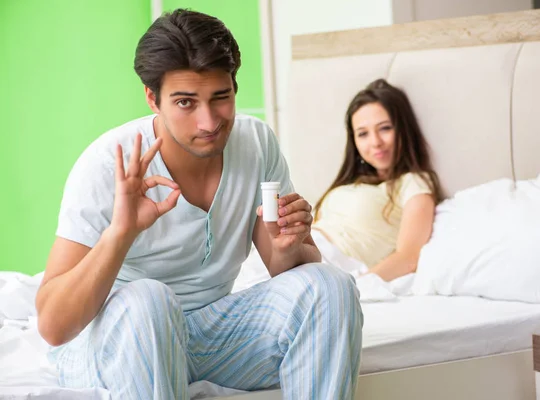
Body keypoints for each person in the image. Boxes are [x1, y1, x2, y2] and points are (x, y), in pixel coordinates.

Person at [34, 9, 362, 400]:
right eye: (186, 103)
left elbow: (281, 267)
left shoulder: (257, 143)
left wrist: (293, 243)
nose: (209, 122)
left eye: (220, 98)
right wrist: (121, 233)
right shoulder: (108, 163)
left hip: (208, 335)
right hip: (115, 341)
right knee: (149, 300)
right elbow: (54, 326)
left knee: (331, 285)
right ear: (152, 99)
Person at [312, 79, 442, 282]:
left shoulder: (413, 183)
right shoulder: (349, 184)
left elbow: (408, 258)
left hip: (328, 268)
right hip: (298, 252)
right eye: (363, 134)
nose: (375, 142)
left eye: (385, 128)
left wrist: (355, 287)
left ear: (403, 130)